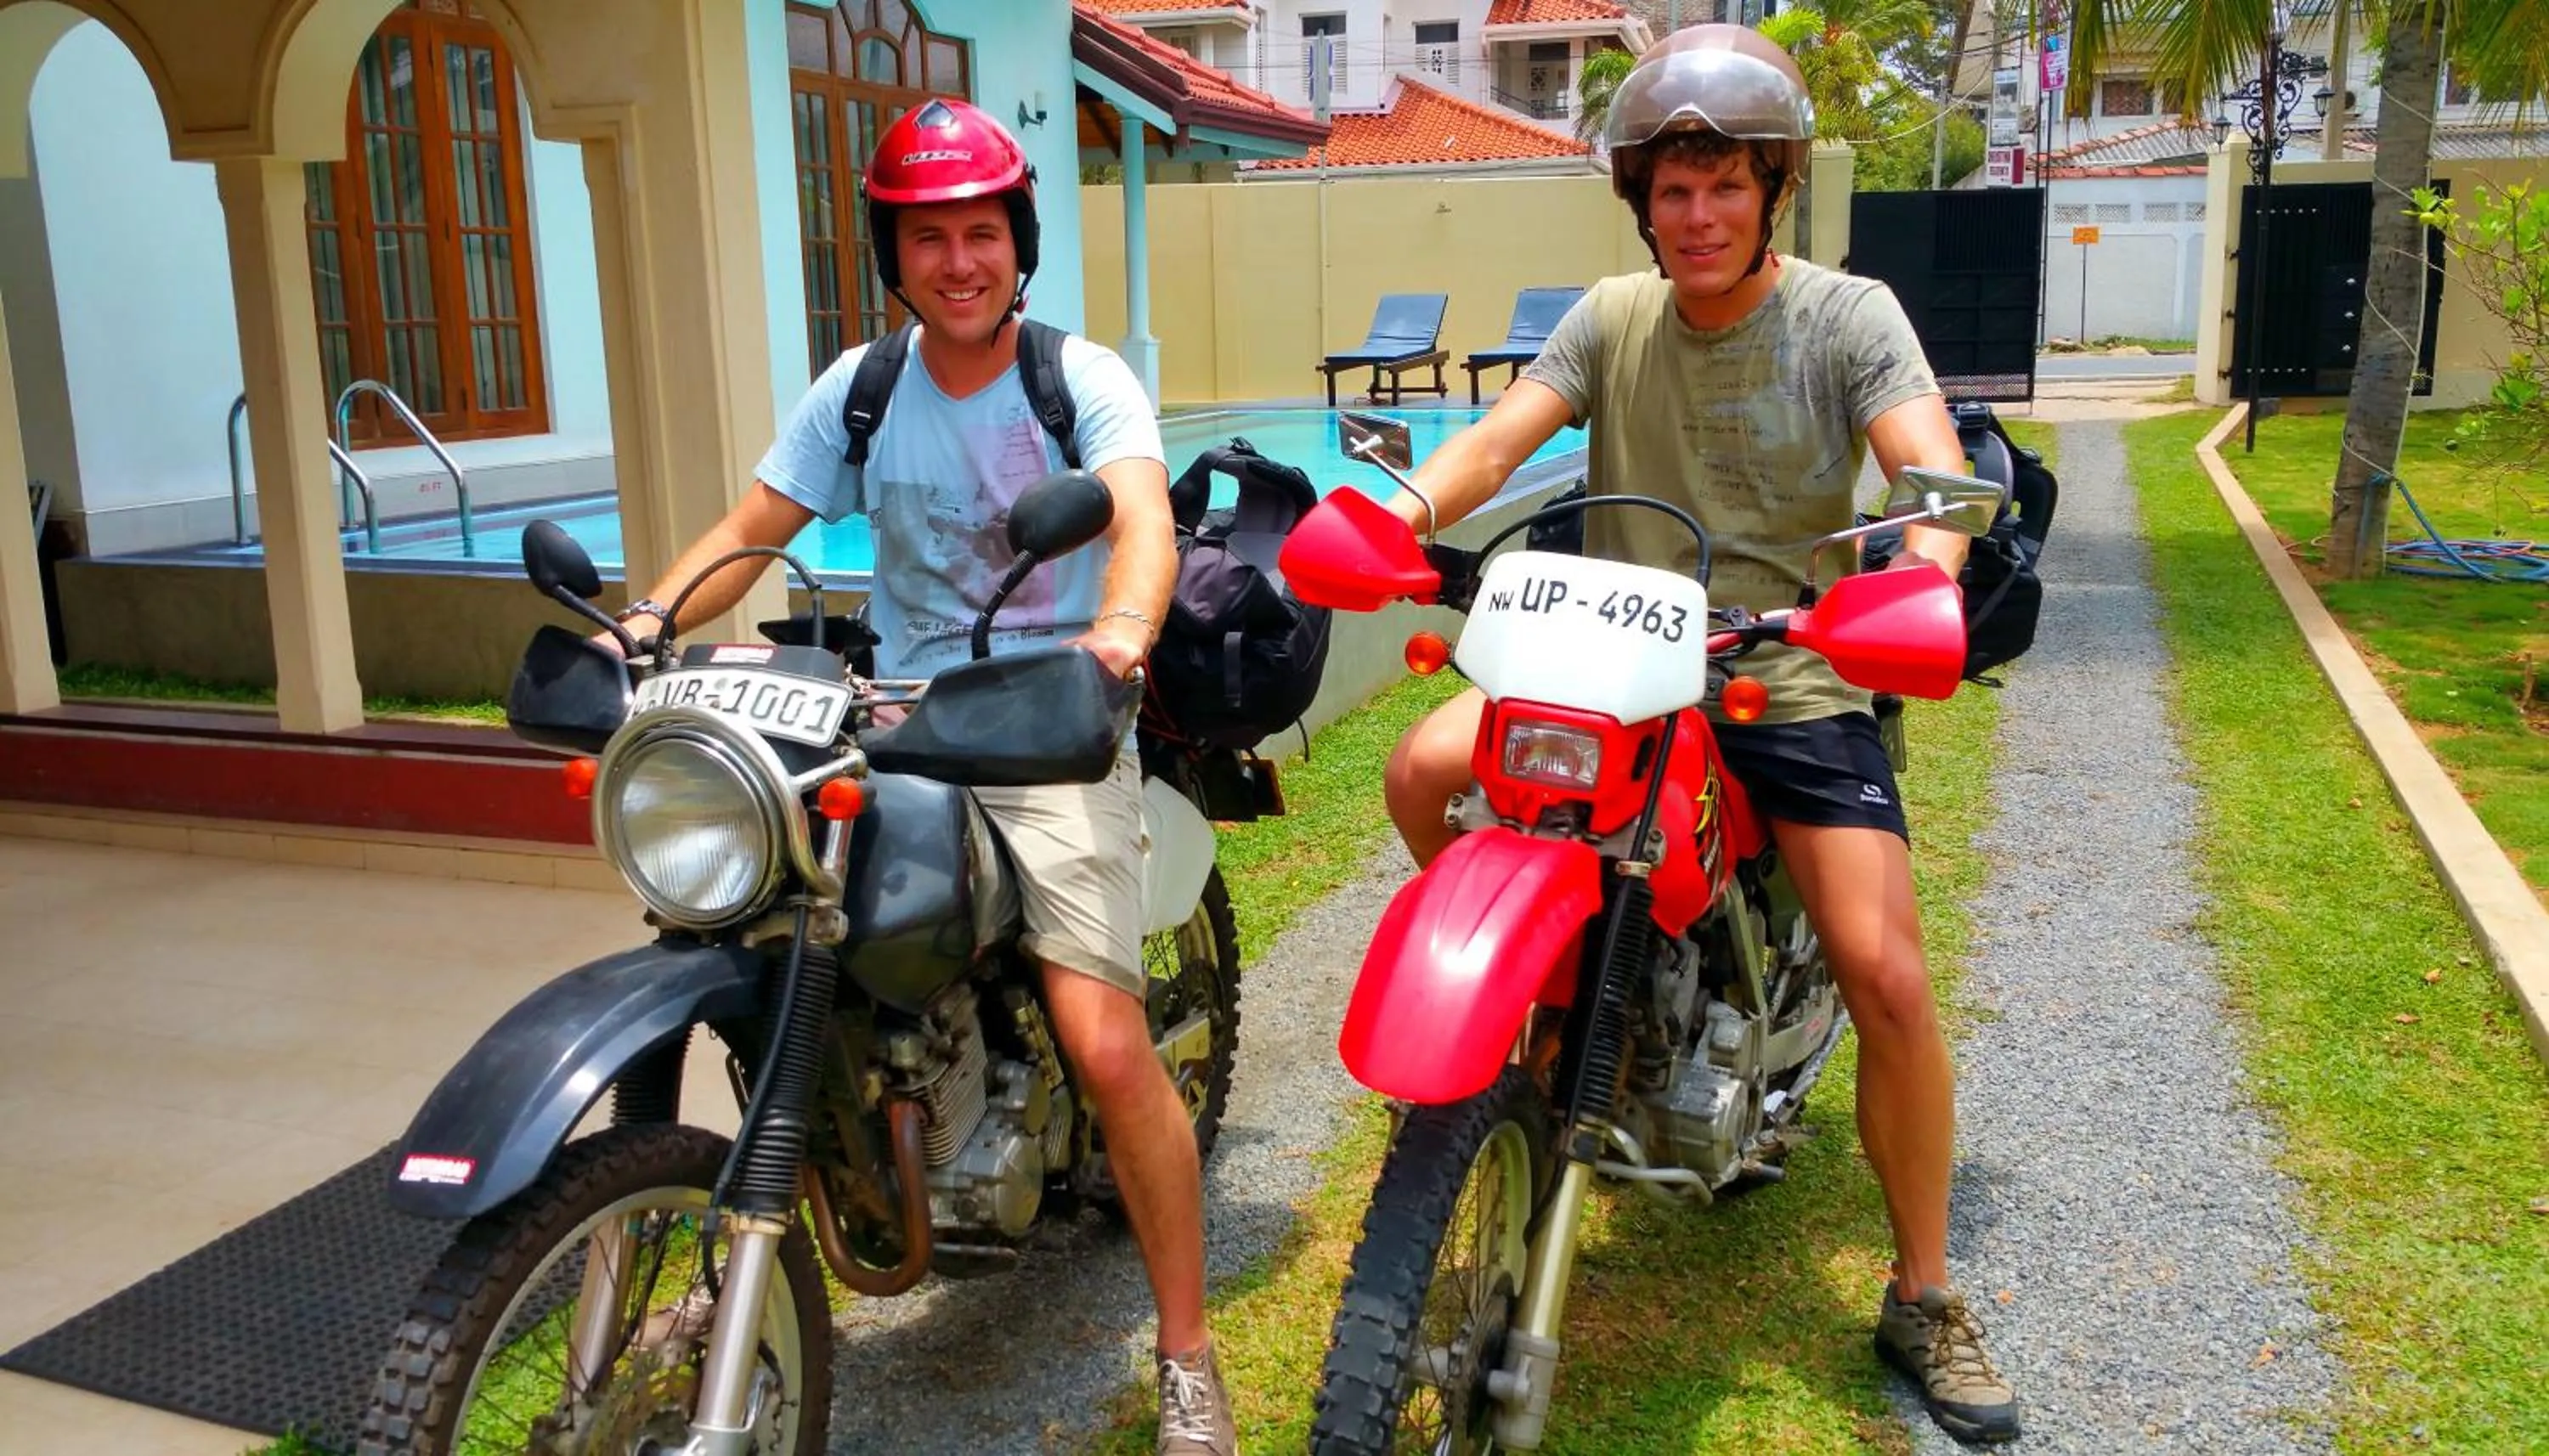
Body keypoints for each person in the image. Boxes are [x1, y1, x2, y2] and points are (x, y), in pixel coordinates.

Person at [1371, 25, 2020, 1446]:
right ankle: (1537, 1032)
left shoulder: (1850, 316)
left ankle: (1923, 1288)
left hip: (1788, 670)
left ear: (1774, 186)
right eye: (1673, 190)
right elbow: (1500, 438)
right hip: (1607, 656)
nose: (1700, 215)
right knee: (1422, 764)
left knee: (1884, 967)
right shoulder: (1610, 317)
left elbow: (1927, 466)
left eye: (1725, 185)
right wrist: (1404, 513)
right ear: (1640, 201)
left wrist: (1919, 580)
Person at [593, 99, 1235, 1456]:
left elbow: (1142, 520)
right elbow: (757, 523)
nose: (960, 261)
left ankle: (1188, 1353)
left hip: (1048, 713)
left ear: (1021, 244)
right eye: (930, 236)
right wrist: (650, 615)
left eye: (982, 233)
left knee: (1106, 1035)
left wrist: (1116, 641)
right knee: (759, 921)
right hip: (893, 705)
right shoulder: (861, 388)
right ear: (895, 248)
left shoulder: (1081, 377)